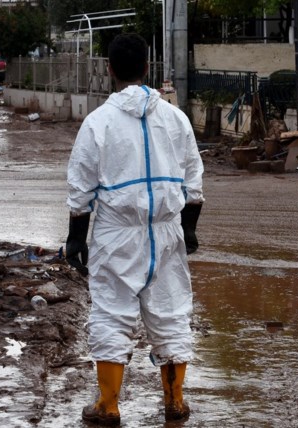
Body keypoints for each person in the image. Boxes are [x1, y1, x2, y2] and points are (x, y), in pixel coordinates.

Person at [65, 32, 204, 426]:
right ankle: (174, 402)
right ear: (148, 68)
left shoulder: (98, 123)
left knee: (111, 314)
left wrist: (76, 238)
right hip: (166, 233)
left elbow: (80, 187)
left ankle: (108, 405)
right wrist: (188, 230)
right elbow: (194, 181)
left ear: (108, 70)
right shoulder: (176, 119)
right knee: (172, 313)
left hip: (115, 235)